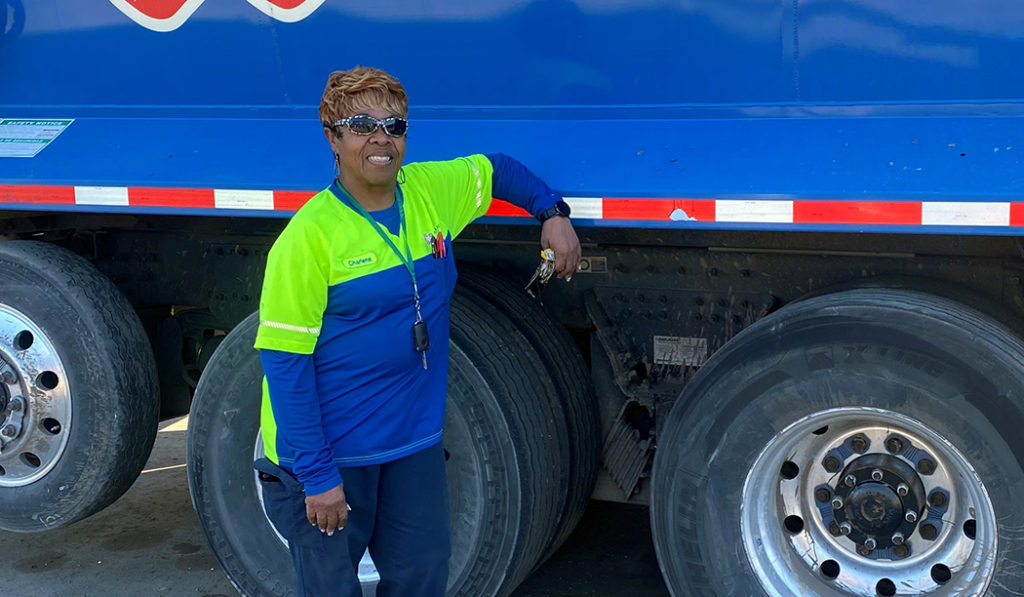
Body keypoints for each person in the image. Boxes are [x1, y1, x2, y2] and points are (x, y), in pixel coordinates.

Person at [251, 66, 581, 597]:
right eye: (361, 125)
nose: (381, 138)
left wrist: (552, 212)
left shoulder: (429, 191)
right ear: (332, 137)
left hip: (410, 445)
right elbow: (284, 364)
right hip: (331, 457)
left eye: (394, 125)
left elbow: (496, 171)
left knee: (422, 578)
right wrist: (317, 476)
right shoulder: (308, 238)